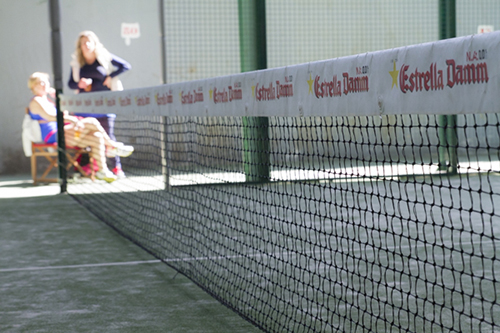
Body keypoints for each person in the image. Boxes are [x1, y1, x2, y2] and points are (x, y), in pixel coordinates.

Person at [28, 72, 134, 183]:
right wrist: (72, 120)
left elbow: (64, 114)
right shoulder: (36, 101)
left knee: (96, 136)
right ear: (33, 86)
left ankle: (102, 170)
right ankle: (112, 146)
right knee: (92, 121)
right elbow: (51, 117)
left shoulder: (49, 100)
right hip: (54, 136)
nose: (45, 85)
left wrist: (58, 100)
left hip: (66, 134)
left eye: (46, 82)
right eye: (40, 83)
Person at [68, 30, 131, 177]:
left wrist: (110, 76)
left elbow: (126, 66)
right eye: (83, 42)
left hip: (105, 105)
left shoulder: (104, 57)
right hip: (83, 107)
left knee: (108, 135)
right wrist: (80, 84)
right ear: (80, 46)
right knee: (88, 136)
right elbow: (71, 84)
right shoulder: (77, 63)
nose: (87, 44)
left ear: (95, 43)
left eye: (89, 41)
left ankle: (117, 168)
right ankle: (83, 169)